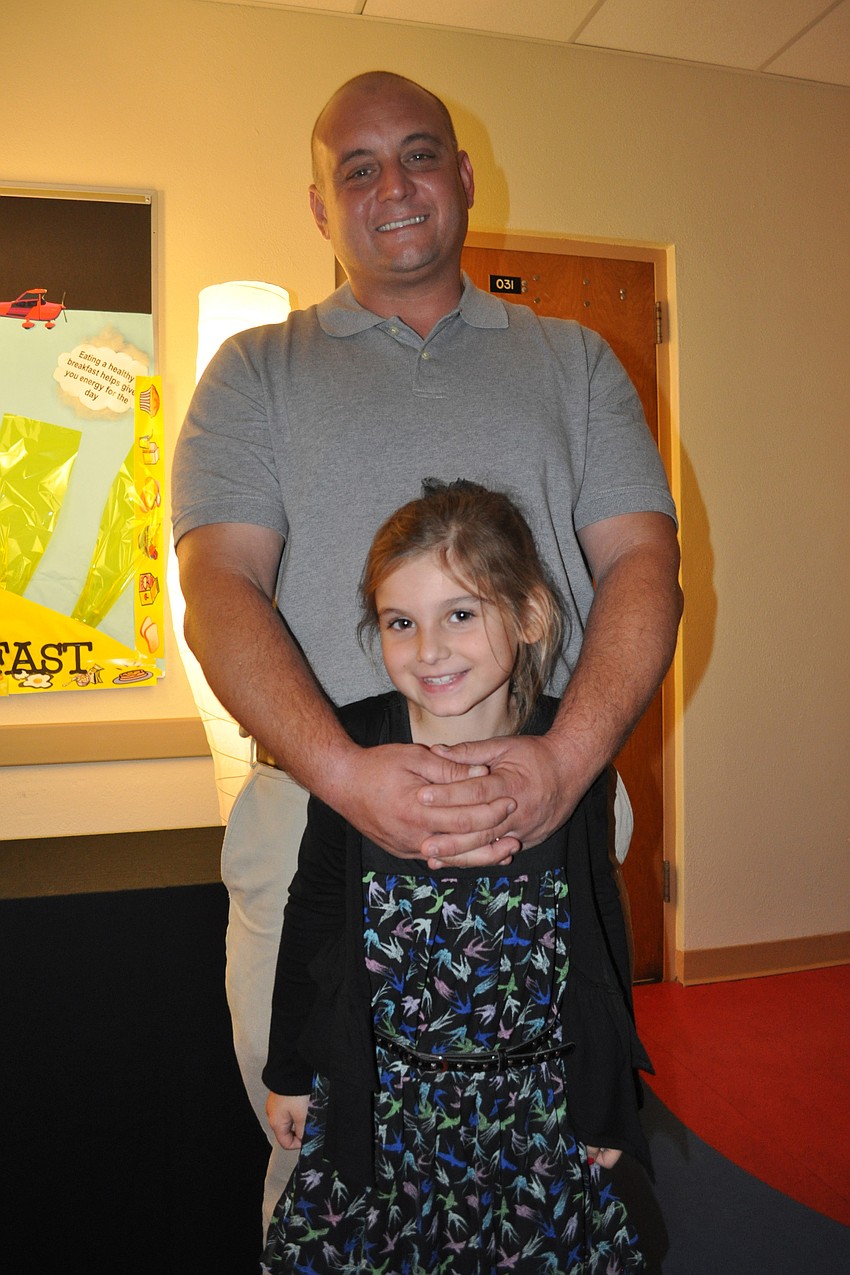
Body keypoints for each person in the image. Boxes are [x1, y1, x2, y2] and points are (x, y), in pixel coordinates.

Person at [171, 70, 682, 1231]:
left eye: (416, 155)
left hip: (546, 813)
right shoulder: (253, 371)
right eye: (357, 168)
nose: (391, 186)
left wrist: (564, 763)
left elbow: (644, 567)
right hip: (314, 824)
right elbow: (218, 587)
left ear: (462, 175)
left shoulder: (577, 360)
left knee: (557, 1164)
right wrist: (345, 776)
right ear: (321, 207)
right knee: (325, 1161)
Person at [262, 479, 649, 1273]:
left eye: (460, 614)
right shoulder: (354, 747)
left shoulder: (569, 752)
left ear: (530, 614)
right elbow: (314, 911)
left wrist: (609, 1093)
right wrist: (289, 1071)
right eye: (401, 622)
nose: (428, 649)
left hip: (534, 1112)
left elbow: (599, 927)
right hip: (386, 1108)